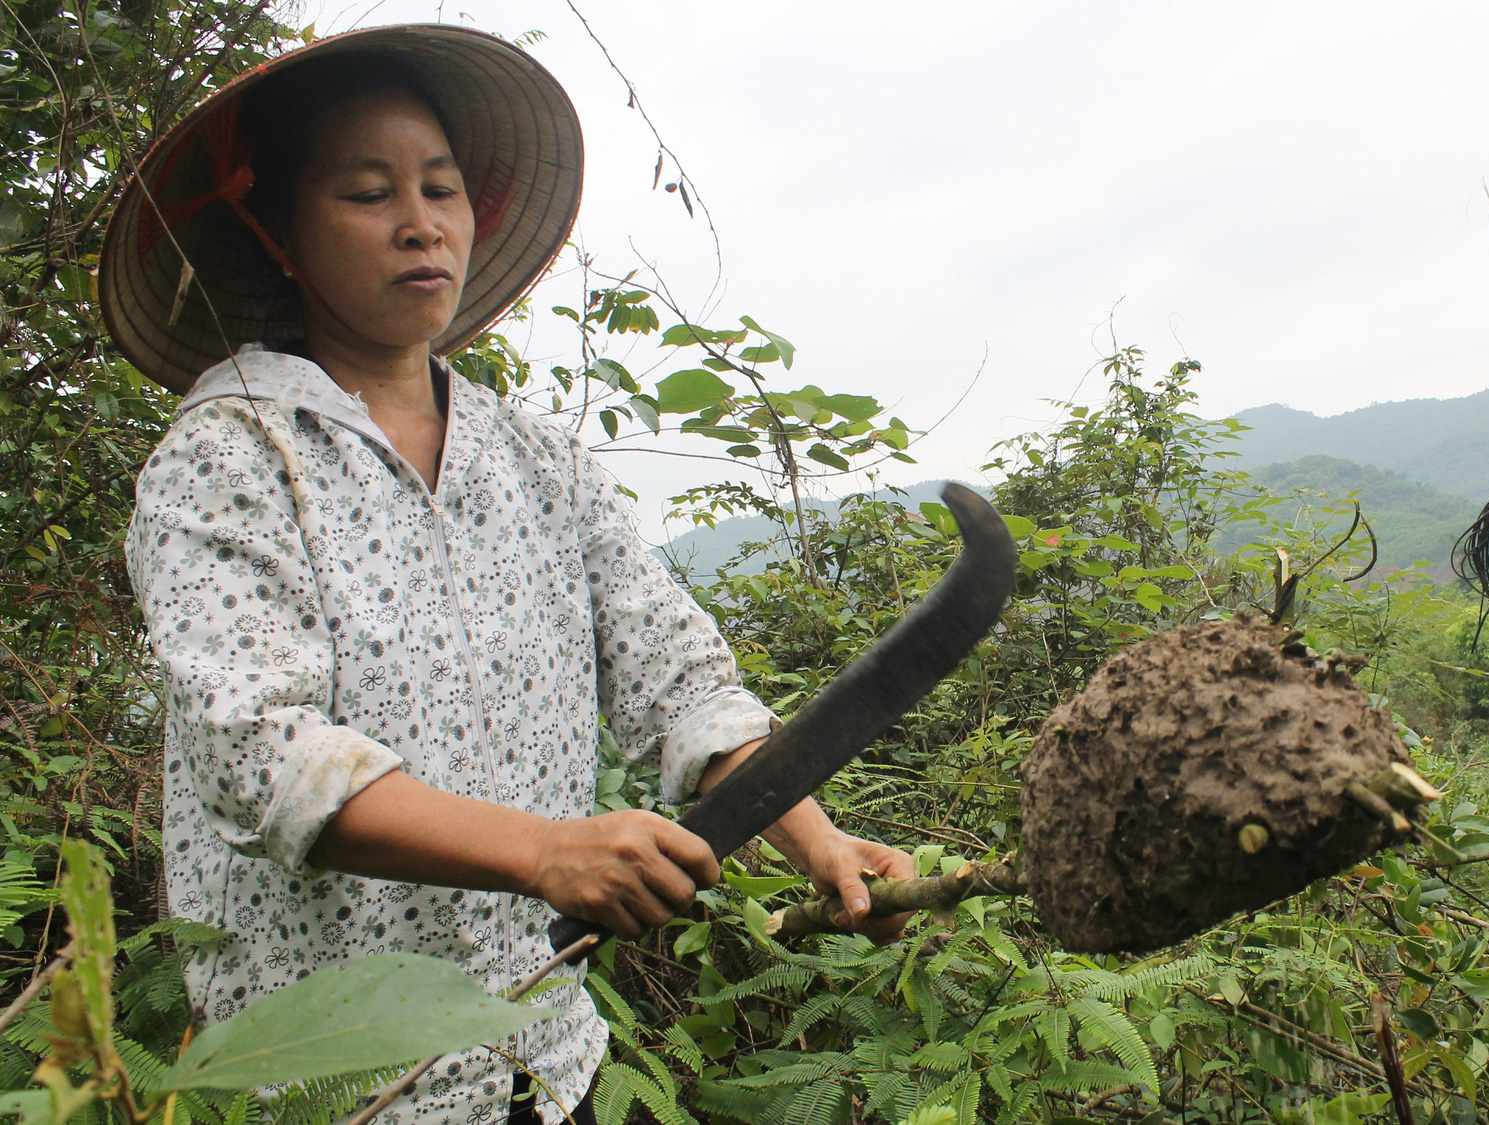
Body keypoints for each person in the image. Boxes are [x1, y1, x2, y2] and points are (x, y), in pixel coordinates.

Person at [99, 26, 915, 1125]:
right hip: (333, 1088)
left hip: (538, 1053)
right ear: (277, 232)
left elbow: (674, 680)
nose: (419, 222)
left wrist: (819, 842)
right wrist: (542, 851)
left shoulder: (532, 458)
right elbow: (263, 754)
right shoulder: (230, 460)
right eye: (365, 192)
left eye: (441, 188)